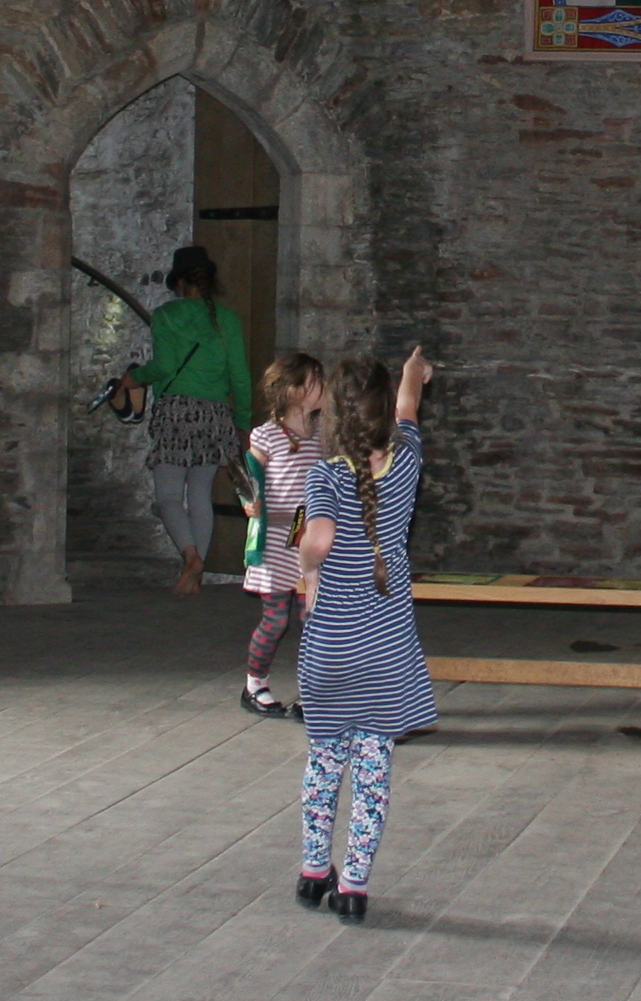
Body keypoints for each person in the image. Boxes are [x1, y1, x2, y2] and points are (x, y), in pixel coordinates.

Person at [293, 346, 437, 926]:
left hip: (329, 653)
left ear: (335, 416)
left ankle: (311, 871)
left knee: (323, 764)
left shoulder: (324, 475)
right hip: (386, 654)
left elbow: (319, 541)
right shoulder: (406, 465)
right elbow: (410, 410)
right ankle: (353, 885)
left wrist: (305, 561)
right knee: (373, 776)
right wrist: (413, 373)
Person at [119, 244, 252, 595]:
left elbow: (163, 366)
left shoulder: (166, 316)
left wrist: (134, 379)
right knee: (200, 494)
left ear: (177, 282)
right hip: (215, 414)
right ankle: (198, 572)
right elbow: (239, 375)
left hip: (177, 411)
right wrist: (243, 420)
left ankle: (191, 556)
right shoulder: (227, 319)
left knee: (167, 496)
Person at [239, 350, 324, 717]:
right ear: (292, 390)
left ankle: (313, 691)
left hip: (308, 534)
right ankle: (254, 683)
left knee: (313, 618)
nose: (323, 387)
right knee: (276, 619)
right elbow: (248, 478)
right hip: (276, 536)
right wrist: (249, 501)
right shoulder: (268, 434)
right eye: (315, 381)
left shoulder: (324, 433)